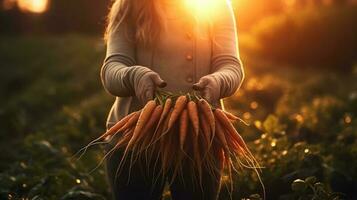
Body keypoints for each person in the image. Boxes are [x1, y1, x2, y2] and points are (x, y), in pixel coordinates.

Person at [100, 0, 244, 199]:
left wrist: (219, 81)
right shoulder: (129, 5)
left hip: (198, 138)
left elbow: (230, 65)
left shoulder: (216, 6)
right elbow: (112, 68)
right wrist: (133, 76)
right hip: (132, 139)